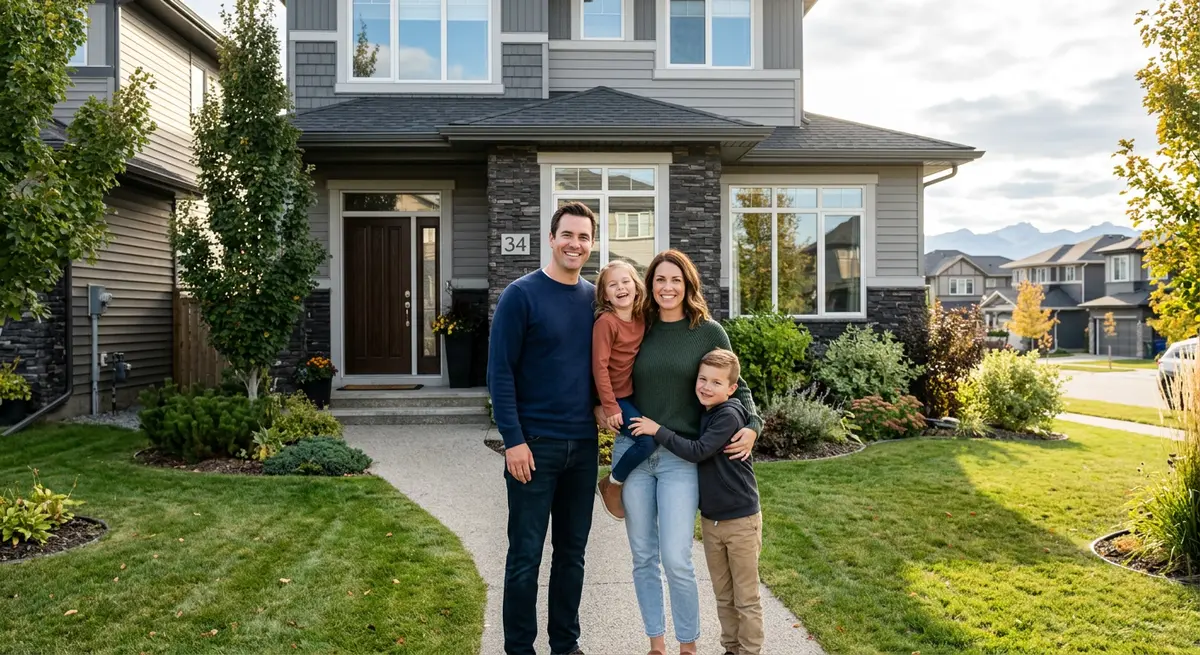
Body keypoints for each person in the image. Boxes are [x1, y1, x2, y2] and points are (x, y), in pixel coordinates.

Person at [602, 249, 762, 655]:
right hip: (634, 451)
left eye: (675, 280)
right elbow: (609, 372)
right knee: (643, 556)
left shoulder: (708, 331)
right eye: (659, 280)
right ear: (648, 286)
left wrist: (752, 426)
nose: (667, 287)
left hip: (680, 457)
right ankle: (656, 643)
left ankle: (687, 645)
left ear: (688, 284)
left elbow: (738, 388)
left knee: (676, 557)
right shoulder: (638, 326)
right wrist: (600, 408)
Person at [488, 201, 599, 655]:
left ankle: (565, 644)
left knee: (572, 556)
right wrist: (513, 441)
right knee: (525, 558)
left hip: (584, 449)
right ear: (551, 239)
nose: (575, 244)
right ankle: (519, 647)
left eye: (584, 237)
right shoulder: (521, 295)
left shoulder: (596, 300)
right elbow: (500, 373)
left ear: (591, 244)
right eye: (567, 235)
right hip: (533, 448)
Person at [631, 349, 764, 655]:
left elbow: (698, 450)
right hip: (713, 521)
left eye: (716, 382)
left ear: (732, 389)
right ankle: (731, 648)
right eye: (702, 379)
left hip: (740, 519)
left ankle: (750, 650)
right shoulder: (707, 412)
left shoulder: (729, 415)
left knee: (746, 596)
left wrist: (658, 430)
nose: (706, 386)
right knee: (724, 594)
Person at [592, 260, 653, 520]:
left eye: (626, 282)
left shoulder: (642, 318)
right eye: (612, 285)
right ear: (605, 294)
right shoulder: (606, 323)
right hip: (615, 396)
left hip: (631, 392)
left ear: (636, 287)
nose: (620, 288)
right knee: (646, 440)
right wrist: (609, 406)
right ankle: (612, 482)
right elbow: (599, 367)